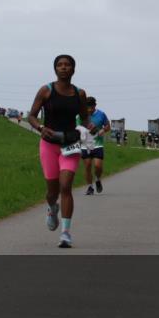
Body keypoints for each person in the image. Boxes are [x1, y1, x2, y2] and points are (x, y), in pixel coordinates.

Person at [28, 55, 90, 248]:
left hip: (70, 145)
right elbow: (31, 116)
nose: (64, 68)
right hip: (49, 144)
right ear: (55, 69)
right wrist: (40, 128)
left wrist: (88, 129)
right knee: (52, 191)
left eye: (67, 65)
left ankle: (65, 233)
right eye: (60, 65)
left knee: (66, 186)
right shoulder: (46, 90)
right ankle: (52, 208)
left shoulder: (79, 94)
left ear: (73, 70)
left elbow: (85, 118)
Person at [78, 97, 110, 195]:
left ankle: (98, 179)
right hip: (85, 145)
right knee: (87, 166)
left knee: (97, 166)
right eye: (87, 108)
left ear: (95, 106)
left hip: (98, 145)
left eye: (91, 108)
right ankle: (90, 187)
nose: (89, 110)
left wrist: (103, 130)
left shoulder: (101, 114)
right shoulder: (80, 116)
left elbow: (108, 126)